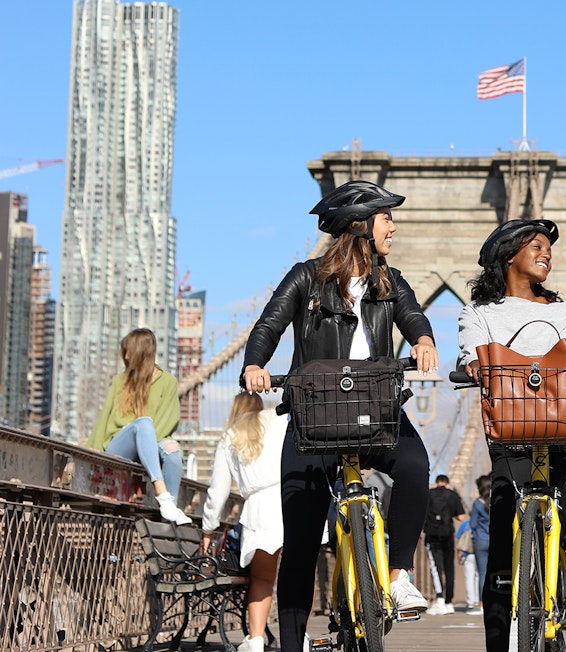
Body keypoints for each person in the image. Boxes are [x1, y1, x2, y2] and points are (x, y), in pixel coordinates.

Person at [241, 179, 438, 652]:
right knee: (302, 543)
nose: (394, 225)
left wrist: (423, 340)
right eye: (386, 216)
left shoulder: (390, 280)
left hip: (377, 411)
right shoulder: (305, 278)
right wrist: (255, 364)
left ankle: (396, 577)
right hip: (314, 417)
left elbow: (412, 314)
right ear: (360, 224)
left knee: (415, 466)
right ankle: (291, 644)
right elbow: (269, 323)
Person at [458, 219, 566, 652]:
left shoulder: (564, 311)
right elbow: (471, 354)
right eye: (536, 246)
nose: (546, 254)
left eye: (549, 249)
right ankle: (498, 643)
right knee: (501, 529)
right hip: (512, 433)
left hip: (565, 429)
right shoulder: (479, 314)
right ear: (509, 255)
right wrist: (472, 365)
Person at [201, 392, 288, 652]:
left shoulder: (230, 435)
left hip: (260, 509)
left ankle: (256, 639)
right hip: (291, 499)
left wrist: (207, 529)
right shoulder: (280, 419)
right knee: (298, 575)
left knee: (261, 577)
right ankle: (301, 636)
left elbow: (218, 492)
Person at [88, 328, 189, 525]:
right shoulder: (120, 380)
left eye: (129, 352)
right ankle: (163, 496)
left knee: (173, 450)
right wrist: (92, 450)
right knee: (143, 423)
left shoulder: (168, 382)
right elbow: (104, 417)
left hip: (150, 445)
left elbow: (168, 421)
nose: (125, 356)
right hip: (119, 445)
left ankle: (168, 518)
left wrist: (148, 448)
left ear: (143, 353)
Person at [425, 474, 466, 615]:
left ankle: (439, 599)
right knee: (449, 568)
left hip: (431, 536)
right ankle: (449, 602)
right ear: (447, 484)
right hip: (448, 536)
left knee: (436, 567)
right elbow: (461, 517)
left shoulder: (428, 494)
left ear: (436, 483)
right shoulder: (452, 495)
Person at [468, 473, 492, 616]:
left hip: (481, 541)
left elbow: (473, 524)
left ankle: (482, 603)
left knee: (482, 573)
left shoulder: (477, 503)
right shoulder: (496, 500)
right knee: (496, 571)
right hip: (496, 540)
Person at [455, 516, 480, 614]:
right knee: (479, 577)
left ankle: (471, 602)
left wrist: (459, 552)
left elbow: (457, 537)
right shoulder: (482, 521)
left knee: (469, 578)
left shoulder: (466, 523)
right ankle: (478, 600)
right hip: (480, 553)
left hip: (467, 553)